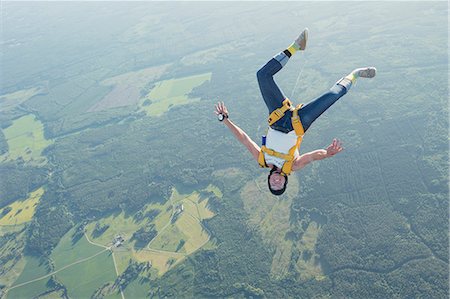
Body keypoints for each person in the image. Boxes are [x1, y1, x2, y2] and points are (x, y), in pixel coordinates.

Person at [215, 28, 376, 196]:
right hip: (298, 123)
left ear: (269, 179)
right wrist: (327, 154)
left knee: (262, 75)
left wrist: (225, 120)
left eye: (273, 184)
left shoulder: (261, 160)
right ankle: (356, 74)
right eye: (279, 185)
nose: (276, 182)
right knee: (333, 96)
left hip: (276, 117)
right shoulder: (293, 166)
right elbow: (313, 157)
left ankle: (296, 46)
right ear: (285, 181)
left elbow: (244, 140)